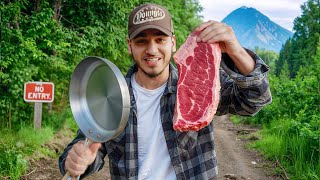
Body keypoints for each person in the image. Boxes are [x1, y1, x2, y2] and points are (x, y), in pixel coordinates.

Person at [59, 3, 271, 180]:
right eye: (142, 42)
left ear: (173, 42)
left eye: (159, 40)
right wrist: (78, 160)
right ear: (129, 45)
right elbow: (86, 148)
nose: (152, 50)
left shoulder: (197, 83)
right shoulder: (114, 93)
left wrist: (235, 49)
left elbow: (255, 100)